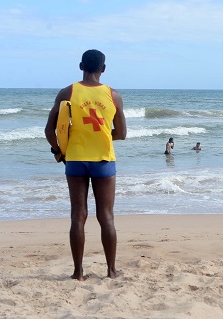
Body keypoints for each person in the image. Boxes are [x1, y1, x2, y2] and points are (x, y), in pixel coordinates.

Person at [44, 49, 127, 281]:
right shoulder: (114, 95)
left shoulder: (67, 92)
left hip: (75, 160)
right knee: (107, 216)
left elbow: (49, 130)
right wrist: (100, 132)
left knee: (78, 215)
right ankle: (111, 271)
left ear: (81, 66)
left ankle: (78, 273)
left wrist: (58, 151)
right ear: (104, 69)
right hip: (103, 159)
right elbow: (121, 134)